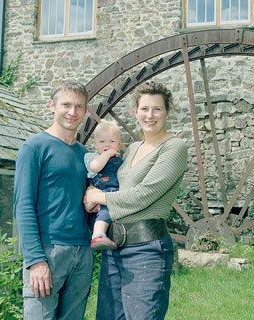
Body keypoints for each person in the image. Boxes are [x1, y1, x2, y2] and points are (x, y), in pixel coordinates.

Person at [85, 81, 188, 320]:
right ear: (136, 111)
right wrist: (90, 191)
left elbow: (145, 193)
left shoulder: (174, 148)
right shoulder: (131, 149)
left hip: (147, 250)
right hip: (114, 246)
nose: (149, 115)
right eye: (144, 109)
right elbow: (111, 180)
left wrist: (100, 197)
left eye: (157, 109)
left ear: (167, 111)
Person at [14, 81, 93, 320]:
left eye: (79, 106)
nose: (72, 112)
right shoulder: (34, 148)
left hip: (82, 252)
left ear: (86, 110)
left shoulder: (85, 155)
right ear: (52, 106)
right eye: (66, 105)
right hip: (48, 251)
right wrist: (35, 260)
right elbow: (23, 205)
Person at [84, 121, 123, 251]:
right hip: (102, 192)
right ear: (95, 144)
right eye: (101, 142)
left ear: (119, 144)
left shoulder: (120, 160)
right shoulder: (93, 157)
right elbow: (96, 167)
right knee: (106, 211)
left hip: (115, 193)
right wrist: (107, 154)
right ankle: (98, 235)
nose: (106, 145)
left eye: (111, 142)